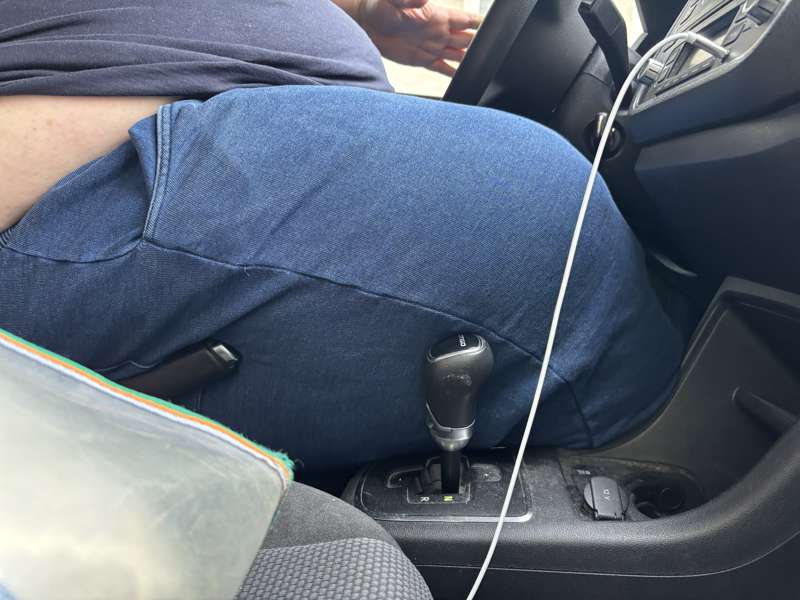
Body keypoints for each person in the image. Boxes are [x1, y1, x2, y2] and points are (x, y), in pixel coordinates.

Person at [0, 0, 683, 468]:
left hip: (202, 121)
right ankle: (664, 485)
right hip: (82, 182)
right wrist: (134, 119)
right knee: (547, 236)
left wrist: (358, 14)